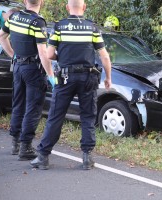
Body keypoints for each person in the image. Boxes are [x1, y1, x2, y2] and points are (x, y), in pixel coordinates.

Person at [30, 0, 112, 170]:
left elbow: (49, 53)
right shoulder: (93, 28)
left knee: (56, 116)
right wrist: (108, 78)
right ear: (84, 7)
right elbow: (104, 56)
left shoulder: (59, 27)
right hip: (88, 78)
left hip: (65, 78)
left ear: (67, 8)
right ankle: (87, 158)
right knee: (88, 117)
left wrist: (64, 56)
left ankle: (43, 157)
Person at [0, 0, 55, 160]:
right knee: (33, 107)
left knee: (18, 104)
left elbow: (1, 36)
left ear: (24, 1)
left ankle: (15, 143)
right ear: (41, 2)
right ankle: (26, 147)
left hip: (18, 67)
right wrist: (51, 75)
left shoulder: (14, 17)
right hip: (33, 69)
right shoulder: (37, 22)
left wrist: (12, 55)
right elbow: (43, 53)